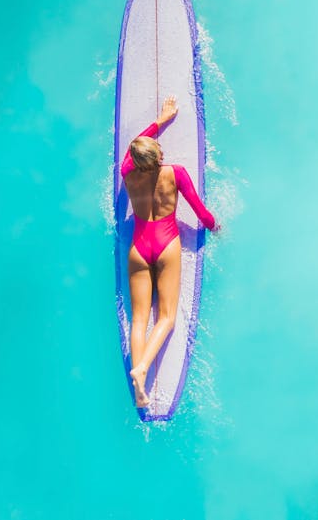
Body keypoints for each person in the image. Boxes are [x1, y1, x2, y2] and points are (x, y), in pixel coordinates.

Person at [120, 94, 220, 407]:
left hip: (138, 247)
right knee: (165, 318)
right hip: (166, 245)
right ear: (157, 157)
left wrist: (158, 122)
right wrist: (217, 227)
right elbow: (201, 213)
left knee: (139, 319)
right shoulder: (174, 173)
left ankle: (139, 390)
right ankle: (142, 368)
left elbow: (135, 144)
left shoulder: (127, 173)